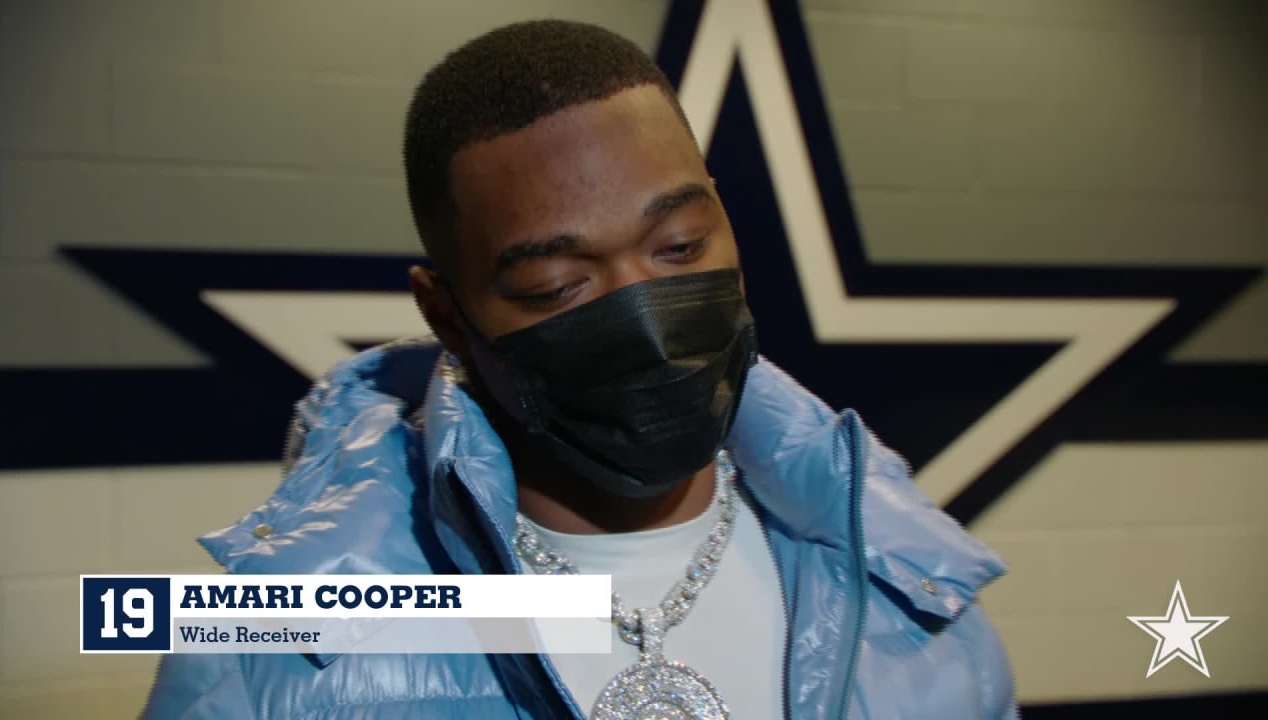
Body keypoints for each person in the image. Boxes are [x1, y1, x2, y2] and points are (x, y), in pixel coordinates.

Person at [144, 19, 1018, 720]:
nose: (644, 321)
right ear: (445, 314)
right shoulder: (270, 645)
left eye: (679, 246)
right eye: (559, 287)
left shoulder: (907, 588)